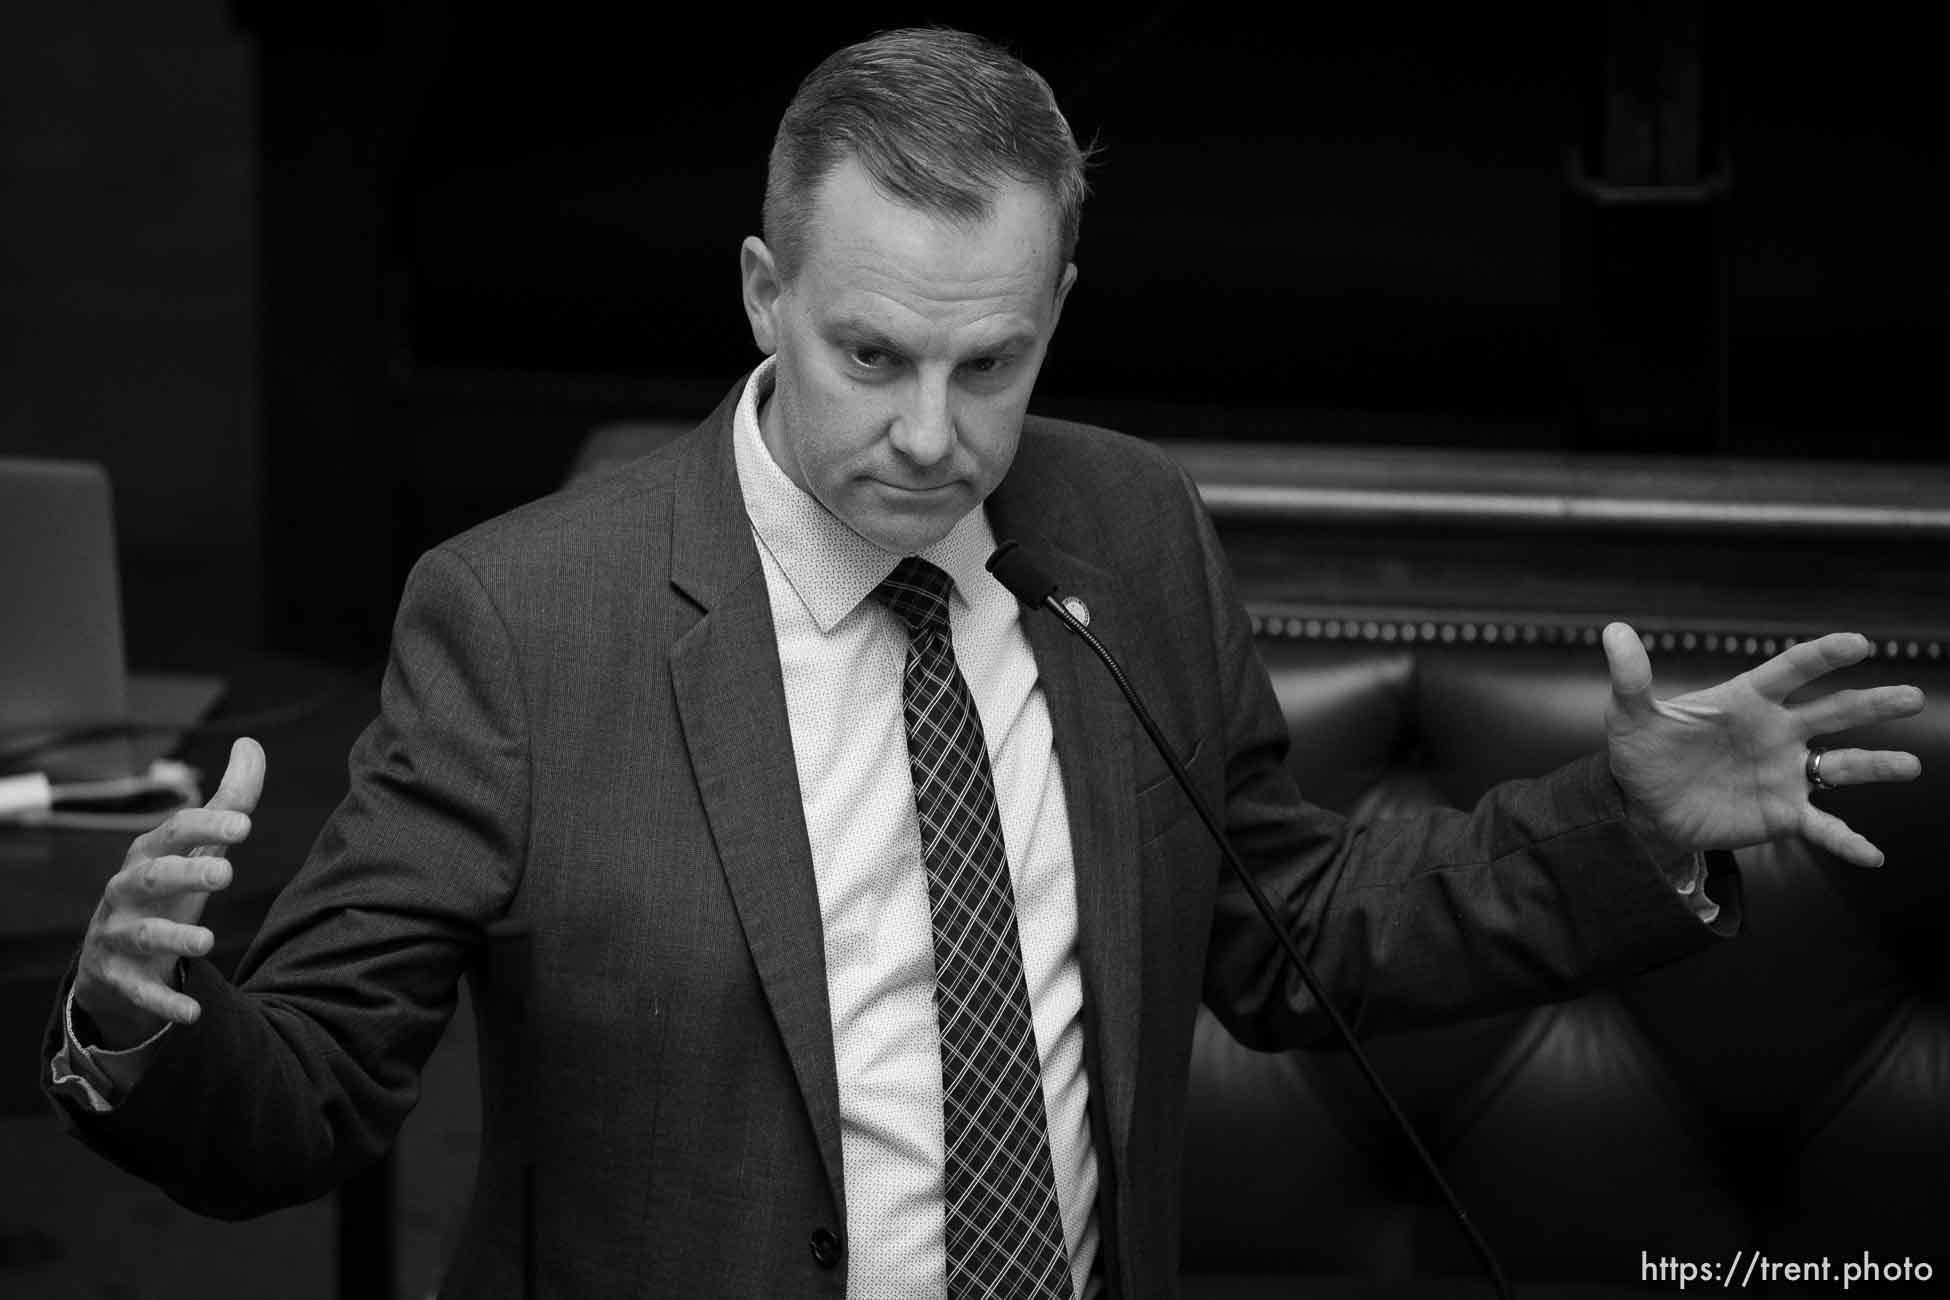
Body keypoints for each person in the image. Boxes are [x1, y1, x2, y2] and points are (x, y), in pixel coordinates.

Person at [44, 26, 1923, 1300]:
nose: (935, 435)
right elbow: (307, 1096)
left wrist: (1624, 822)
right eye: (872, 356)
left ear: (1056, 320)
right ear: (765, 299)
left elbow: (1295, 935)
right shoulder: (525, 618)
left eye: (992, 363)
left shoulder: (1128, 533)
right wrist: (147, 1020)